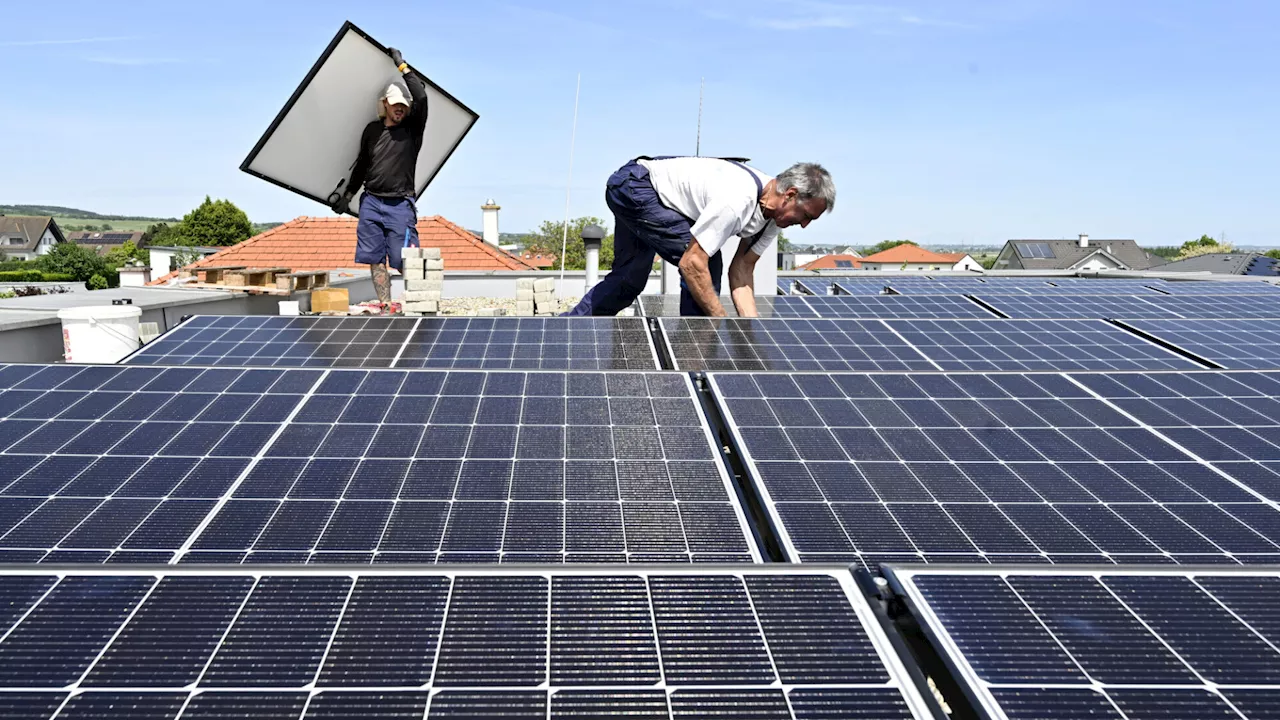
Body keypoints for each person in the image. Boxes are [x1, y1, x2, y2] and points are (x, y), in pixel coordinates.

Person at [564, 157, 835, 317]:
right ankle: (693, 359)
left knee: (628, 281)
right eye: (807, 216)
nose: (804, 226)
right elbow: (692, 264)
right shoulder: (737, 198)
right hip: (635, 186)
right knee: (705, 265)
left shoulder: (774, 218)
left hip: (646, 192)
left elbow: (741, 271)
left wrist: (750, 334)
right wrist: (719, 319)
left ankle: (568, 329)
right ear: (790, 195)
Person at [331, 47, 429, 312]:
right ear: (385, 103)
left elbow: (420, 94)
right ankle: (386, 304)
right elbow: (362, 165)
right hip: (371, 202)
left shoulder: (413, 130)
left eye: (404, 106)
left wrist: (401, 65)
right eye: (396, 104)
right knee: (375, 259)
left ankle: (420, 301)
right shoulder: (372, 130)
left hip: (400, 205)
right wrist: (348, 196)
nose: (400, 109)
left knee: (403, 258)